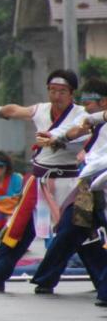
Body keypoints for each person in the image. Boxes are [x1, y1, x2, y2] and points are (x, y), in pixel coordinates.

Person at [0, 69, 87, 293]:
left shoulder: (82, 114)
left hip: (70, 183)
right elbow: (16, 110)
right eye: (52, 90)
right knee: (17, 229)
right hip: (39, 182)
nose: (56, 96)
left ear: (72, 93)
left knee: (79, 232)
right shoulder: (41, 110)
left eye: (62, 91)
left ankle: (51, 280)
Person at [29, 103, 107, 299]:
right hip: (90, 185)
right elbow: (73, 130)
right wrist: (56, 137)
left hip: (98, 182)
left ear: (103, 101)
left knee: (80, 231)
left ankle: (103, 286)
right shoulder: (91, 120)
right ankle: (46, 279)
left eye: (92, 101)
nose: (87, 105)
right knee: (72, 229)